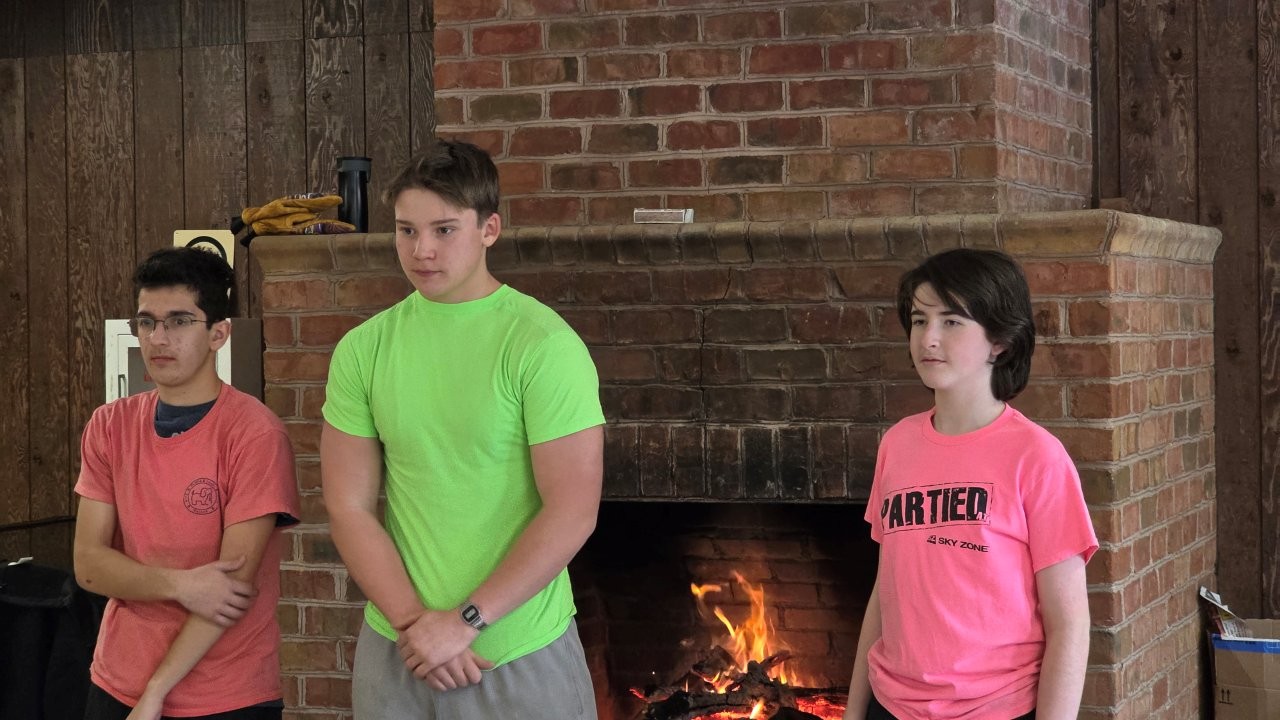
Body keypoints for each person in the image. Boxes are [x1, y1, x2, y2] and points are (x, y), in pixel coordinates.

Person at [321, 139, 605, 719]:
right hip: (400, 649)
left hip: (517, 650)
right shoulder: (363, 349)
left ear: (488, 229)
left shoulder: (544, 345)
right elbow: (348, 506)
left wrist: (465, 622)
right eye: (406, 230)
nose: (421, 250)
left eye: (444, 230)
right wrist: (416, 626)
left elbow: (573, 510)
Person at [843, 249, 1097, 720]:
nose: (929, 338)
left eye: (952, 321)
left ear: (999, 341)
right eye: (919, 321)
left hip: (996, 709)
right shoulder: (897, 445)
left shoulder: (1038, 457)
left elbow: (1070, 626)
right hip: (890, 706)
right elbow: (885, 591)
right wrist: (854, 712)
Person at [73, 247, 299, 720]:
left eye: (179, 321)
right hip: (116, 681)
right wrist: (182, 585)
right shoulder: (109, 425)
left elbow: (228, 589)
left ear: (219, 333)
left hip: (227, 693)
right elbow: (89, 566)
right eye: (146, 322)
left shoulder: (255, 434)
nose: (158, 338)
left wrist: (156, 691)